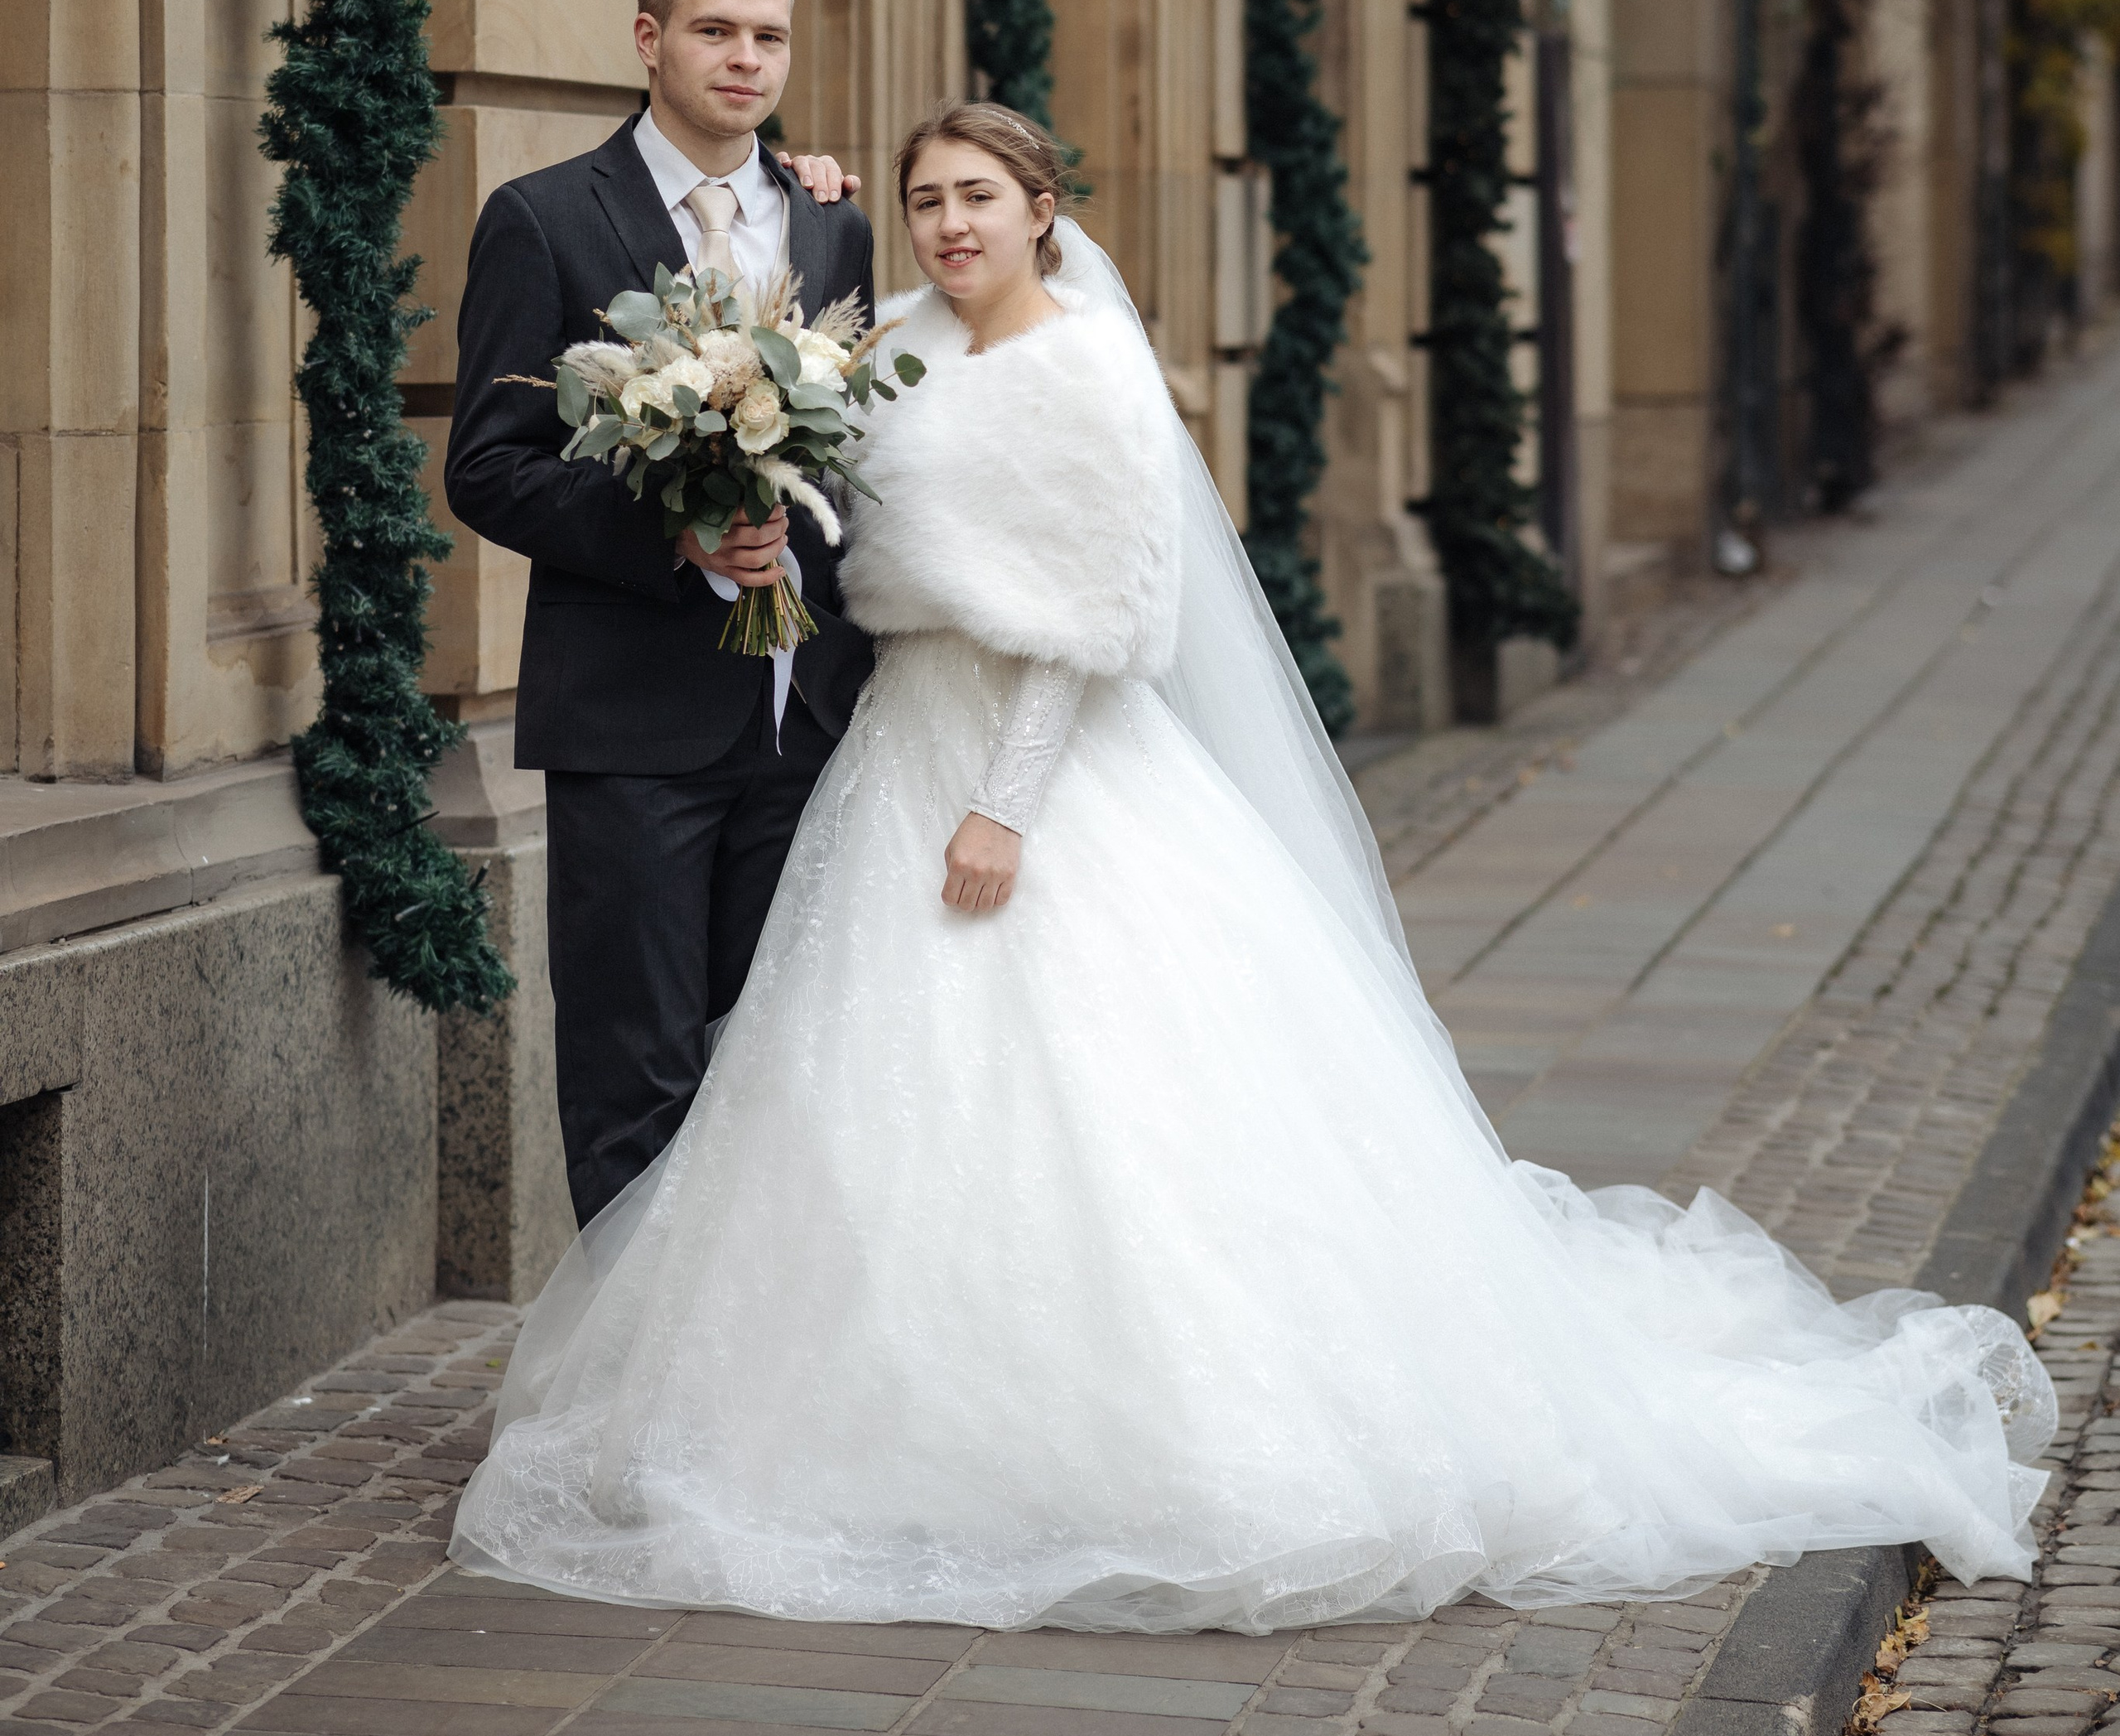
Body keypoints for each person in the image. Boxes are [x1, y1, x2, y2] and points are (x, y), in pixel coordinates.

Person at [452, 101, 2055, 1634]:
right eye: (925, 199)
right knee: (866, 1096)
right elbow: (820, 475)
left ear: (1043, 213)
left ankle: (1140, 1429)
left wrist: (1006, 808)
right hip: (892, 750)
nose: (947, 225)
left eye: (978, 199)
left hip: (1028, 778)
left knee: (1093, 1099)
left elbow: (1101, 613)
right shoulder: (890, 346)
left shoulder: (1089, 371)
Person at [444, 0, 874, 1229]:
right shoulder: (542, 219)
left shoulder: (830, 224)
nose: (745, 60)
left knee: (785, 1080)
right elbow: (487, 467)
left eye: (768, 37)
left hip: (806, 722)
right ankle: (632, 1351)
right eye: (714, 30)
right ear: (649, 38)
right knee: (635, 1078)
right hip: (632, 728)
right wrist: (668, 536)